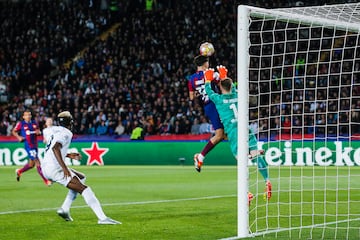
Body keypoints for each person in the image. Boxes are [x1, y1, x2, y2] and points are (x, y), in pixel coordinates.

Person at [204, 66, 272, 201]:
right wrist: (224, 77)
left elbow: (208, 92)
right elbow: (231, 87)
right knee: (255, 154)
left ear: (221, 88)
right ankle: (267, 180)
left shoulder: (218, 99)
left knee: (241, 162)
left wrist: (207, 79)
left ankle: (247, 192)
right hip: (246, 129)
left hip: (234, 133)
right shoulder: (237, 95)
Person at [41, 111, 121, 224]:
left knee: (81, 177)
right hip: (55, 169)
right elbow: (55, 148)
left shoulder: (55, 131)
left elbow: (52, 149)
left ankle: (65, 209)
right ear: (70, 122)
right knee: (85, 189)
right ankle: (102, 218)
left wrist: (69, 155)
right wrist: (64, 168)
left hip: (47, 167)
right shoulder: (67, 132)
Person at [187, 54, 225, 172]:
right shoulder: (211, 74)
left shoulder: (192, 79)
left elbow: (192, 97)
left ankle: (247, 152)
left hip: (207, 106)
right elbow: (223, 86)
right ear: (205, 64)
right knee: (220, 134)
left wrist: (201, 91)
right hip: (216, 104)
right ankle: (201, 156)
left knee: (225, 134)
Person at [12, 110, 51, 186]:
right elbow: (14, 131)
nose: (28, 116)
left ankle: (19, 171)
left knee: (31, 165)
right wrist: (19, 137)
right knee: (37, 161)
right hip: (28, 145)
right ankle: (46, 180)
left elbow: (38, 131)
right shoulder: (21, 124)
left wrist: (38, 133)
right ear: (23, 117)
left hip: (35, 145)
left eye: (29, 115)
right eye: (26, 115)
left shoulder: (34, 123)